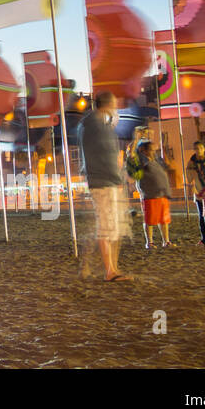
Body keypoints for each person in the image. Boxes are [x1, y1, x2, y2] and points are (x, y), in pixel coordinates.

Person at [76, 92, 132, 281]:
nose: (116, 107)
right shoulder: (96, 126)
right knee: (106, 227)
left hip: (105, 181)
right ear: (107, 104)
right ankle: (110, 271)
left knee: (110, 227)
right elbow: (106, 155)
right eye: (114, 103)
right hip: (104, 182)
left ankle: (112, 268)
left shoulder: (96, 125)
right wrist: (116, 179)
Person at [133, 141, 174, 248]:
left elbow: (165, 170)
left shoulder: (156, 161)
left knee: (164, 220)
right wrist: (137, 142)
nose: (153, 152)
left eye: (154, 150)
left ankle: (166, 241)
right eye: (151, 150)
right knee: (149, 220)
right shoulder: (141, 161)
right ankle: (149, 242)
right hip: (149, 195)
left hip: (161, 194)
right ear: (144, 151)